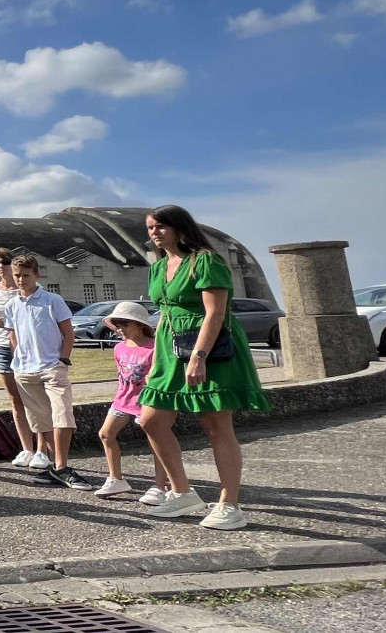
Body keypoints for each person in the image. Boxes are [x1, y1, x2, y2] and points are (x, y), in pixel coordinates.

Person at [136, 205, 272, 530]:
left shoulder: (206, 260)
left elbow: (215, 313)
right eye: (150, 228)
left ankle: (230, 504)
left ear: (180, 228)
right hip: (170, 349)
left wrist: (199, 356)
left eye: (160, 227)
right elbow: (166, 314)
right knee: (151, 421)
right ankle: (182, 491)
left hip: (209, 347)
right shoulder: (158, 268)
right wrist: (156, 358)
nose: (154, 232)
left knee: (215, 424)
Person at [3, 255, 94, 491]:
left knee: (63, 414)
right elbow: (13, 334)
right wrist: (17, 358)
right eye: (17, 276)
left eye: (26, 275)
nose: (21, 280)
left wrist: (63, 358)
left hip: (52, 366)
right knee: (41, 421)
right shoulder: (12, 304)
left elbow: (68, 331)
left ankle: (62, 467)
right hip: (24, 370)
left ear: (37, 275)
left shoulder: (52, 300)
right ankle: (57, 467)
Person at [94, 302, 168, 502]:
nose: (120, 329)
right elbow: (122, 376)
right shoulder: (119, 348)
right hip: (123, 399)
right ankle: (116, 478)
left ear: (139, 324)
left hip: (146, 400)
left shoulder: (154, 348)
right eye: (117, 325)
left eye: (125, 324)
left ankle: (161, 485)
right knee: (106, 434)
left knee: (156, 441)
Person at [0, 247, 44, 469]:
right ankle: (26, 448)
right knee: (16, 400)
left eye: (4, 262)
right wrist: (1, 322)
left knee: (34, 398)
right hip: (1, 346)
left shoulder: (26, 287)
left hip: (28, 348)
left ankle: (42, 450)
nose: (0, 267)